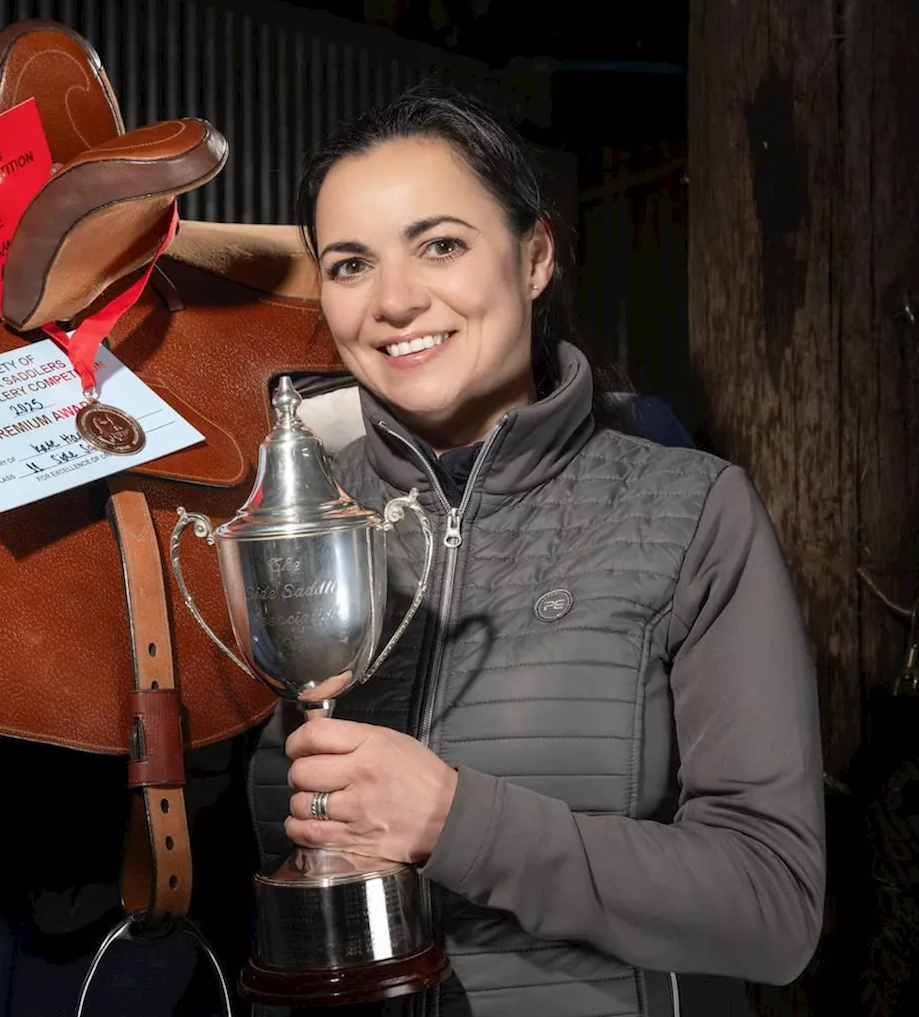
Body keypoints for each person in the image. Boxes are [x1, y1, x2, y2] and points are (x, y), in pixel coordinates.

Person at [246, 87, 826, 1017]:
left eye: (441, 244)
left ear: (536, 256)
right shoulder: (288, 526)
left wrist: (457, 821)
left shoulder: (691, 511)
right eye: (351, 264)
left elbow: (774, 905)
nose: (395, 301)